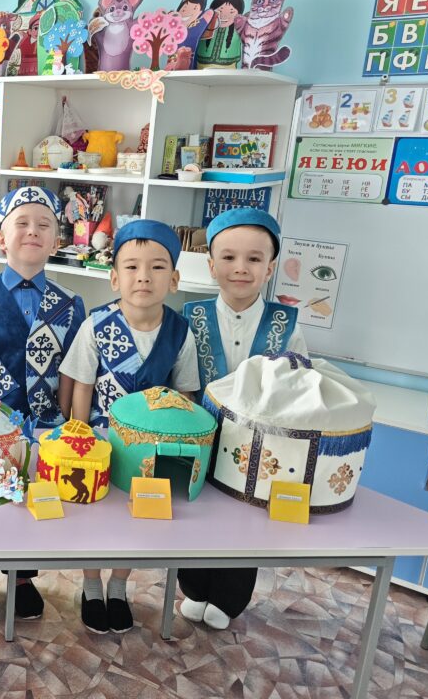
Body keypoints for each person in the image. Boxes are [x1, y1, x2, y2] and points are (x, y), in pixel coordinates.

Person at [0, 185, 85, 621]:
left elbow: (73, 372)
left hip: (44, 425)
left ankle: (23, 575)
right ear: (0, 238)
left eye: (44, 225)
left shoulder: (70, 305)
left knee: (30, 498)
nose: (33, 231)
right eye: (21, 223)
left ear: (56, 241)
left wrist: (68, 427)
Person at [60, 219, 200, 634]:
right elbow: (82, 386)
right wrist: (80, 438)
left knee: (137, 519)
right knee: (95, 517)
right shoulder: (96, 325)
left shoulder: (180, 333)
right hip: (100, 442)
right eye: (132, 267)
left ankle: (119, 585)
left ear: (174, 279)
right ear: (114, 277)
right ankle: (90, 585)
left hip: (151, 451)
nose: (144, 277)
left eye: (157, 267)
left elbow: (187, 396)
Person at [177, 207, 306, 630]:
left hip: (259, 446)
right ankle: (194, 587)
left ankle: (229, 598)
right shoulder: (190, 317)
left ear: (270, 268)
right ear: (211, 264)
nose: (240, 268)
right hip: (201, 438)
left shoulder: (286, 324)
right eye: (229, 257)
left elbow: (299, 384)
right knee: (198, 513)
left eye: (254, 259)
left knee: (245, 518)